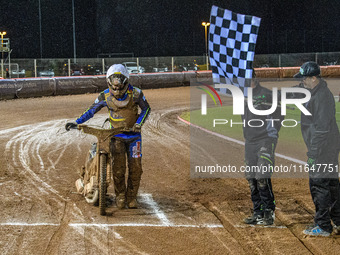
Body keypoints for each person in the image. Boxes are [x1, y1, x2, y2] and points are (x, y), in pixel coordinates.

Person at [65, 64, 151, 209]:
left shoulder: (136, 93)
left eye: (119, 84)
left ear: (125, 81)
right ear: (109, 82)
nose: (117, 88)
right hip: (115, 136)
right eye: (114, 85)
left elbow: (146, 109)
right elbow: (91, 110)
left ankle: (132, 197)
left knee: (135, 167)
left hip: (134, 137)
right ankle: (121, 196)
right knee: (118, 168)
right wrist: (77, 122)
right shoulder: (105, 95)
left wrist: (138, 123)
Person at [293, 61, 340, 236]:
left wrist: (313, 152)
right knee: (332, 183)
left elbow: (321, 128)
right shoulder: (316, 92)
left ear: (314, 78)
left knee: (319, 184)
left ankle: (323, 226)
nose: (302, 82)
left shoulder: (321, 97)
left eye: (305, 79)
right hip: (328, 146)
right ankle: (338, 220)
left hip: (322, 148)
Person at [242, 71, 283, 226]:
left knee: (261, 176)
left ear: (254, 78)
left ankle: (268, 211)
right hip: (250, 141)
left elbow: (280, 114)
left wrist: (272, 133)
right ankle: (257, 212)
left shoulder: (267, 94)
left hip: (265, 139)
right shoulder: (243, 96)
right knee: (251, 177)